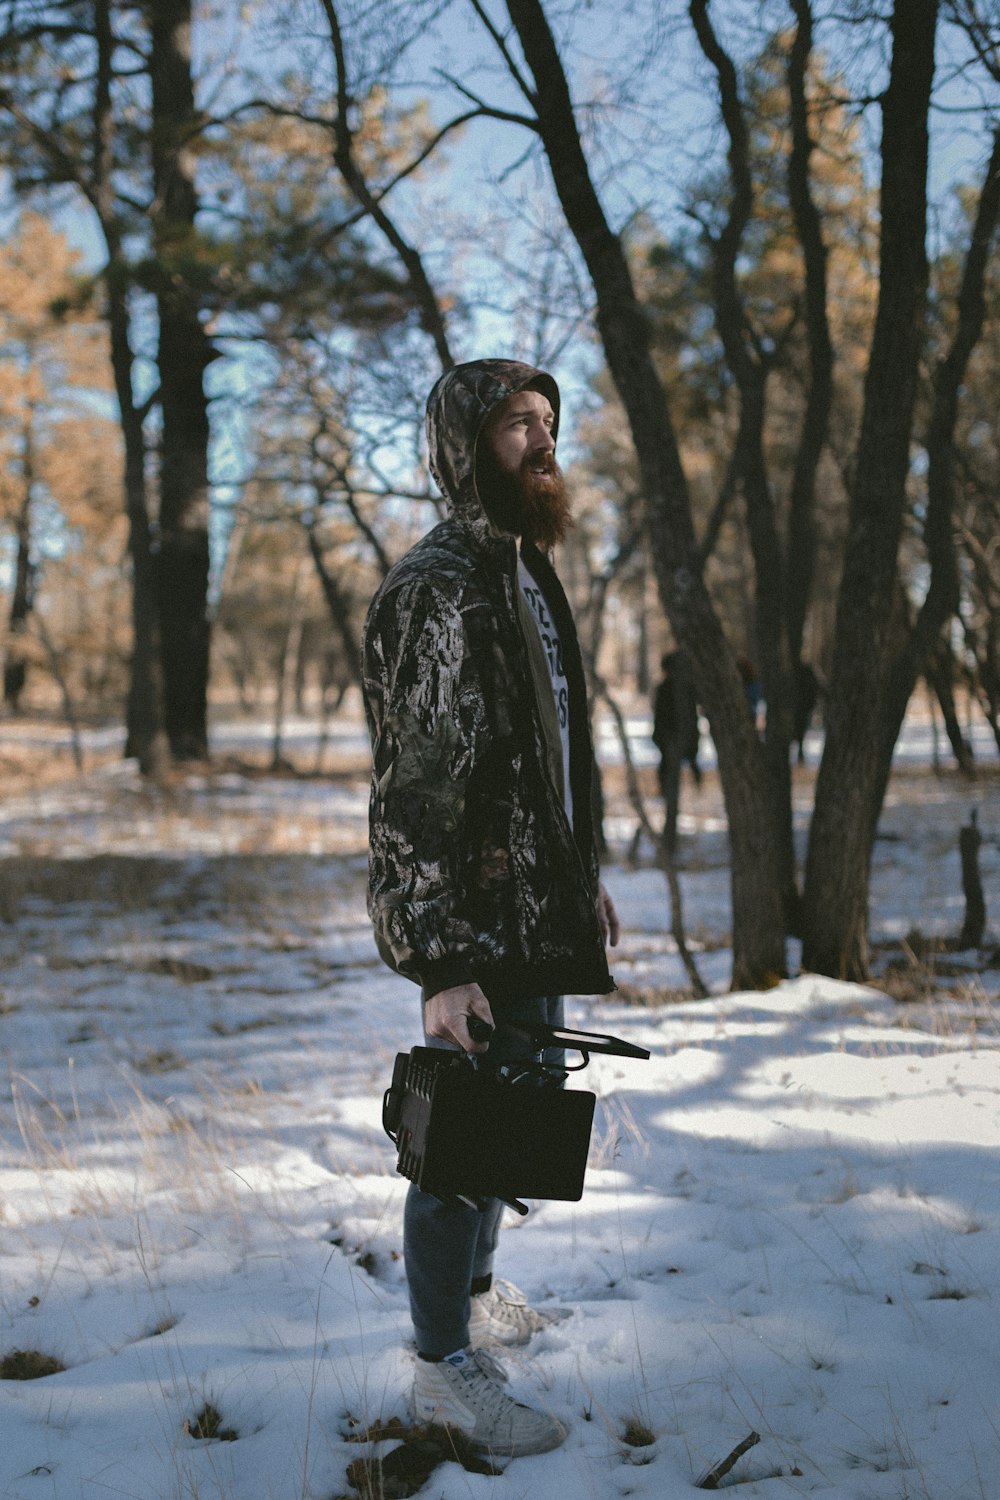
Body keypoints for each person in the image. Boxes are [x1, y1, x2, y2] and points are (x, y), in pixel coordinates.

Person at [362, 358, 620, 1458]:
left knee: (511, 1113)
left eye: (550, 420)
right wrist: (438, 962)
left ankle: (473, 1301)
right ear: (469, 443)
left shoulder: (521, 570)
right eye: (518, 422)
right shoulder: (440, 585)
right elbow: (413, 793)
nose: (542, 440)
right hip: (470, 921)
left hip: (532, 901)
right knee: (458, 1139)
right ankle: (440, 1370)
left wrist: (581, 877)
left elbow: (544, 757)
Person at [650, 650, 701, 854]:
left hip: (674, 745)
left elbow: (688, 720)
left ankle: (670, 841)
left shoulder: (681, 688)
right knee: (670, 795)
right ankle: (669, 841)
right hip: (672, 745)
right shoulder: (677, 688)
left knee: (671, 795)